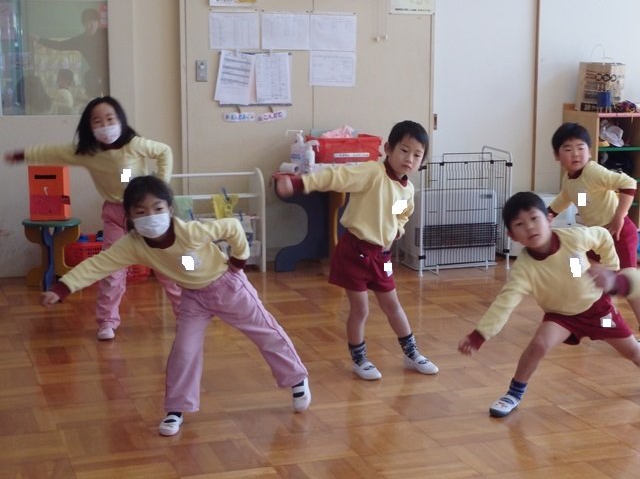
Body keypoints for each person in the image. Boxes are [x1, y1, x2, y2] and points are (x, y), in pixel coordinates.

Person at [40, 175, 311, 436]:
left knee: (264, 332)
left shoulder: (190, 231)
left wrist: (239, 262)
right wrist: (63, 287)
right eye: (141, 211)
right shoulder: (132, 245)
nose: (151, 216)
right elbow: (99, 263)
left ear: (169, 209)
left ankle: (296, 379)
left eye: (157, 208)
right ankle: (176, 409)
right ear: (130, 217)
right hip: (193, 297)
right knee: (184, 350)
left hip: (227, 287)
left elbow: (232, 227)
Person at [4, 95, 180, 341]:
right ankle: (107, 321)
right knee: (112, 269)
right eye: (97, 121)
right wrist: (23, 155)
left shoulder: (134, 144)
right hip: (115, 215)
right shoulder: (86, 153)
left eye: (110, 118)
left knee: (169, 265)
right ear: (90, 126)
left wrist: (160, 187)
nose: (105, 125)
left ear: (120, 120)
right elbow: (53, 152)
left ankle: (186, 312)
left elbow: (164, 151)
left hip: (145, 211)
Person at [274, 120, 438, 381]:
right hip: (355, 252)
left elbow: (401, 215)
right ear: (388, 149)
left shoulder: (407, 190)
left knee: (393, 305)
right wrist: (298, 184)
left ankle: (411, 352)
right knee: (360, 310)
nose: (409, 159)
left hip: (382, 257)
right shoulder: (372, 173)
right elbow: (337, 176)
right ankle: (359, 359)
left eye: (417, 155)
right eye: (404, 150)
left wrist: (397, 229)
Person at [458, 192, 640, 417]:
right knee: (538, 345)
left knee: (633, 351)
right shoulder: (524, 269)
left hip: (599, 311)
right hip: (561, 317)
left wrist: (610, 269)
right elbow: (504, 303)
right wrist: (480, 334)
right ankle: (513, 393)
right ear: (512, 236)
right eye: (520, 224)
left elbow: (603, 235)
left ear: (549, 219)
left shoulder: (574, 238)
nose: (530, 227)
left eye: (535, 218)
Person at [548, 122, 640, 329]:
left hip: (619, 232)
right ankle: (606, 321)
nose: (576, 154)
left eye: (581, 148)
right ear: (557, 156)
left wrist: (619, 217)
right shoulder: (570, 179)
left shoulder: (593, 172)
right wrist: (549, 214)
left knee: (629, 280)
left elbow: (629, 184)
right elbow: (569, 196)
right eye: (568, 149)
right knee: (584, 270)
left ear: (589, 151)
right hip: (597, 237)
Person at [35, 8, 108, 97]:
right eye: (89, 22)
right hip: (96, 72)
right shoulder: (81, 40)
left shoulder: (106, 34)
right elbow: (60, 45)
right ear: (84, 24)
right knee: (89, 77)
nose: (92, 25)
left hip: (111, 69)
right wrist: (39, 39)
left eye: (95, 22)